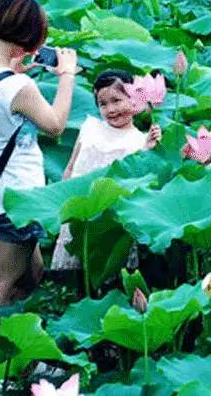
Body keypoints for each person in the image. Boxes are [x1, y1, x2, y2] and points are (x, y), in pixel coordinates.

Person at [0, 0, 78, 308]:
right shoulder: (18, 88)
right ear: (33, 39)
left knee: (32, 273)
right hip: (19, 196)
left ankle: (18, 345)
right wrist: (66, 76)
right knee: (0, 286)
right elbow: (55, 125)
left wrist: (14, 72)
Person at [50, 70, 163, 272]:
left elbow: (138, 180)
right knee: (78, 266)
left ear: (134, 99)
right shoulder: (90, 127)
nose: (110, 109)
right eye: (103, 104)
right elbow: (70, 167)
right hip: (80, 207)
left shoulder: (140, 140)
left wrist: (150, 147)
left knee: (110, 271)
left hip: (113, 215)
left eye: (117, 100)